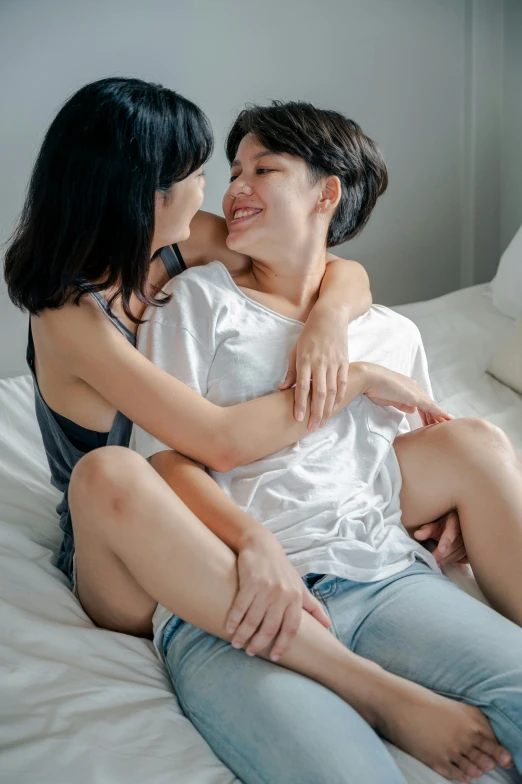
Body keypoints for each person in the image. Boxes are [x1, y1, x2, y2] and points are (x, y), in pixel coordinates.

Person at [131, 101, 522, 784]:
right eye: (234, 171)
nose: (235, 188)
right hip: (234, 603)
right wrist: (256, 545)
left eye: (264, 169)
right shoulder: (198, 302)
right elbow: (161, 465)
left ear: (326, 192)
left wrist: (451, 526)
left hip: (383, 579)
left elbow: (406, 474)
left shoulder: (391, 334)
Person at [4, 76, 374, 646]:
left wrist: (328, 319)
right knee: (119, 475)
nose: (215, 193)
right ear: (147, 192)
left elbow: (329, 266)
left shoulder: (181, 240)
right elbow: (218, 440)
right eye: (199, 175)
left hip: (207, 505)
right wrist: (358, 379)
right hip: (124, 542)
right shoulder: (71, 318)